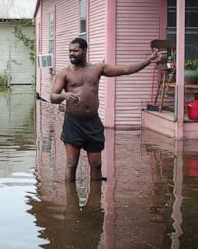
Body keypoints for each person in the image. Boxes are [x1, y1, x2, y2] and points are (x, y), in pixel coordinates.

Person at [51, 38, 162, 182]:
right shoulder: (64, 73)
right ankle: (70, 202)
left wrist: (148, 60)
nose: (72, 54)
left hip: (92, 123)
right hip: (73, 123)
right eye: (70, 51)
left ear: (84, 50)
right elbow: (53, 97)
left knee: (96, 164)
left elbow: (126, 70)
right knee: (71, 164)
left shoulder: (97, 69)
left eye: (75, 50)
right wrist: (64, 95)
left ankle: (95, 202)